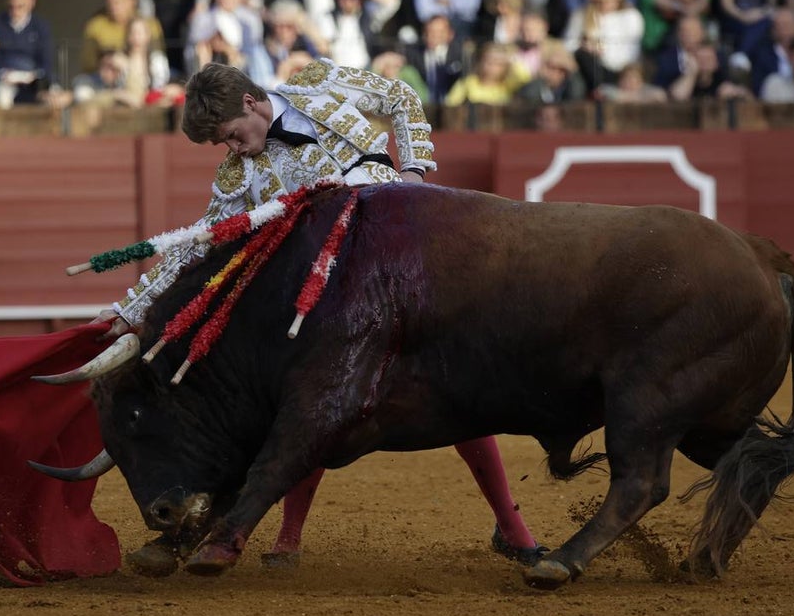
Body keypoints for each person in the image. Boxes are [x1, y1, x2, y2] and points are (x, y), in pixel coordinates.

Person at [96, 59, 541, 565]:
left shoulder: (317, 83)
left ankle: (512, 526)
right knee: (311, 396)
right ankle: (289, 536)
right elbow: (200, 245)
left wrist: (413, 171)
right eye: (223, 144)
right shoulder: (237, 177)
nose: (232, 149)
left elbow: (400, 97)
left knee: (455, 386)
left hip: (407, 261)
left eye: (232, 135)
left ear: (250, 102)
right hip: (343, 295)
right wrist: (130, 309)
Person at [563, 0, 645, 92]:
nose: (604, 2)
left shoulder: (631, 16)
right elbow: (568, 43)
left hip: (623, 69)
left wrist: (604, 50)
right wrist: (585, 46)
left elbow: (632, 49)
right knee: (583, 57)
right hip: (594, 68)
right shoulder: (581, 16)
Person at [0, 0, 58, 108]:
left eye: (20, 6)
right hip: (5, 78)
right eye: (11, 7)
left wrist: (35, 75)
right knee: (3, 96)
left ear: (32, 2)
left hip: (34, 77)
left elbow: (46, 60)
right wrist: (4, 73)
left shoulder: (41, 26)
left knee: (54, 98)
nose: (15, 11)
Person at [80, 0, 165, 74]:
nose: (114, 5)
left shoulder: (149, 24)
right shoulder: (96, 26)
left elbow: (158, 55)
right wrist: (107, 61)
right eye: (110, 1)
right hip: (106, 76)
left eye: (120, 0)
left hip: (145, 73)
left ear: (133, 0)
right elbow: (89, 63)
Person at [443, 41, 532, 106]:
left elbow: (525, 78)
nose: (492, 66)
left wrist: (510, 59)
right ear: (481, 62)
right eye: (489, 61)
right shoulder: (467, 83)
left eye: (498, 63)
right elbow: (450, 106)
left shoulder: (509, 85)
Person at [406, 13, 467, 103]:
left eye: (438, 32)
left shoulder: (461, 55)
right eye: (428, 31)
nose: (432, 36)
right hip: (423, 105)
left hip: (452, 106)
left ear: (450, 34)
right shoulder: (413, 54)